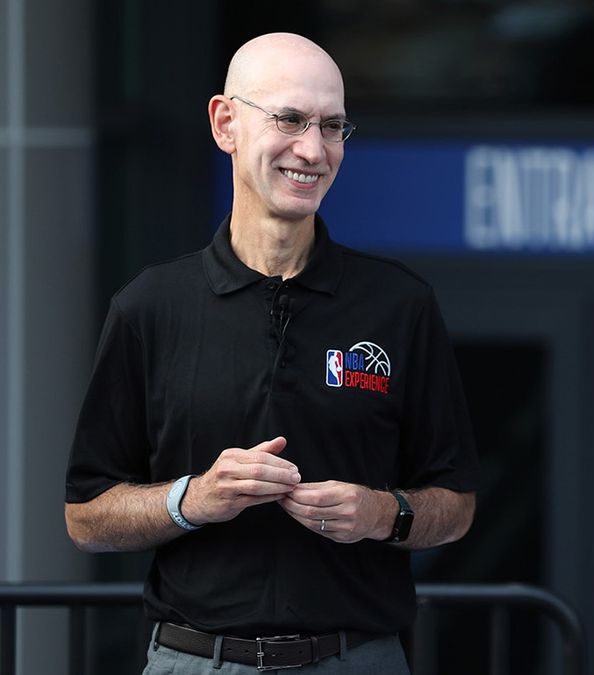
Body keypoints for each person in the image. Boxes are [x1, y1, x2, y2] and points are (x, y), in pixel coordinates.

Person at [64, 33, 479, 673]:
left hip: (358, 658)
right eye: (289, 119)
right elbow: (86, 518)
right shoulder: (150, 306)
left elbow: (455, 505)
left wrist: (383, 513)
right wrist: (193, 499)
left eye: (333, 126)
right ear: (225, 123)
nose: (312, 150)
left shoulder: (400, 305)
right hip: (194, 659)